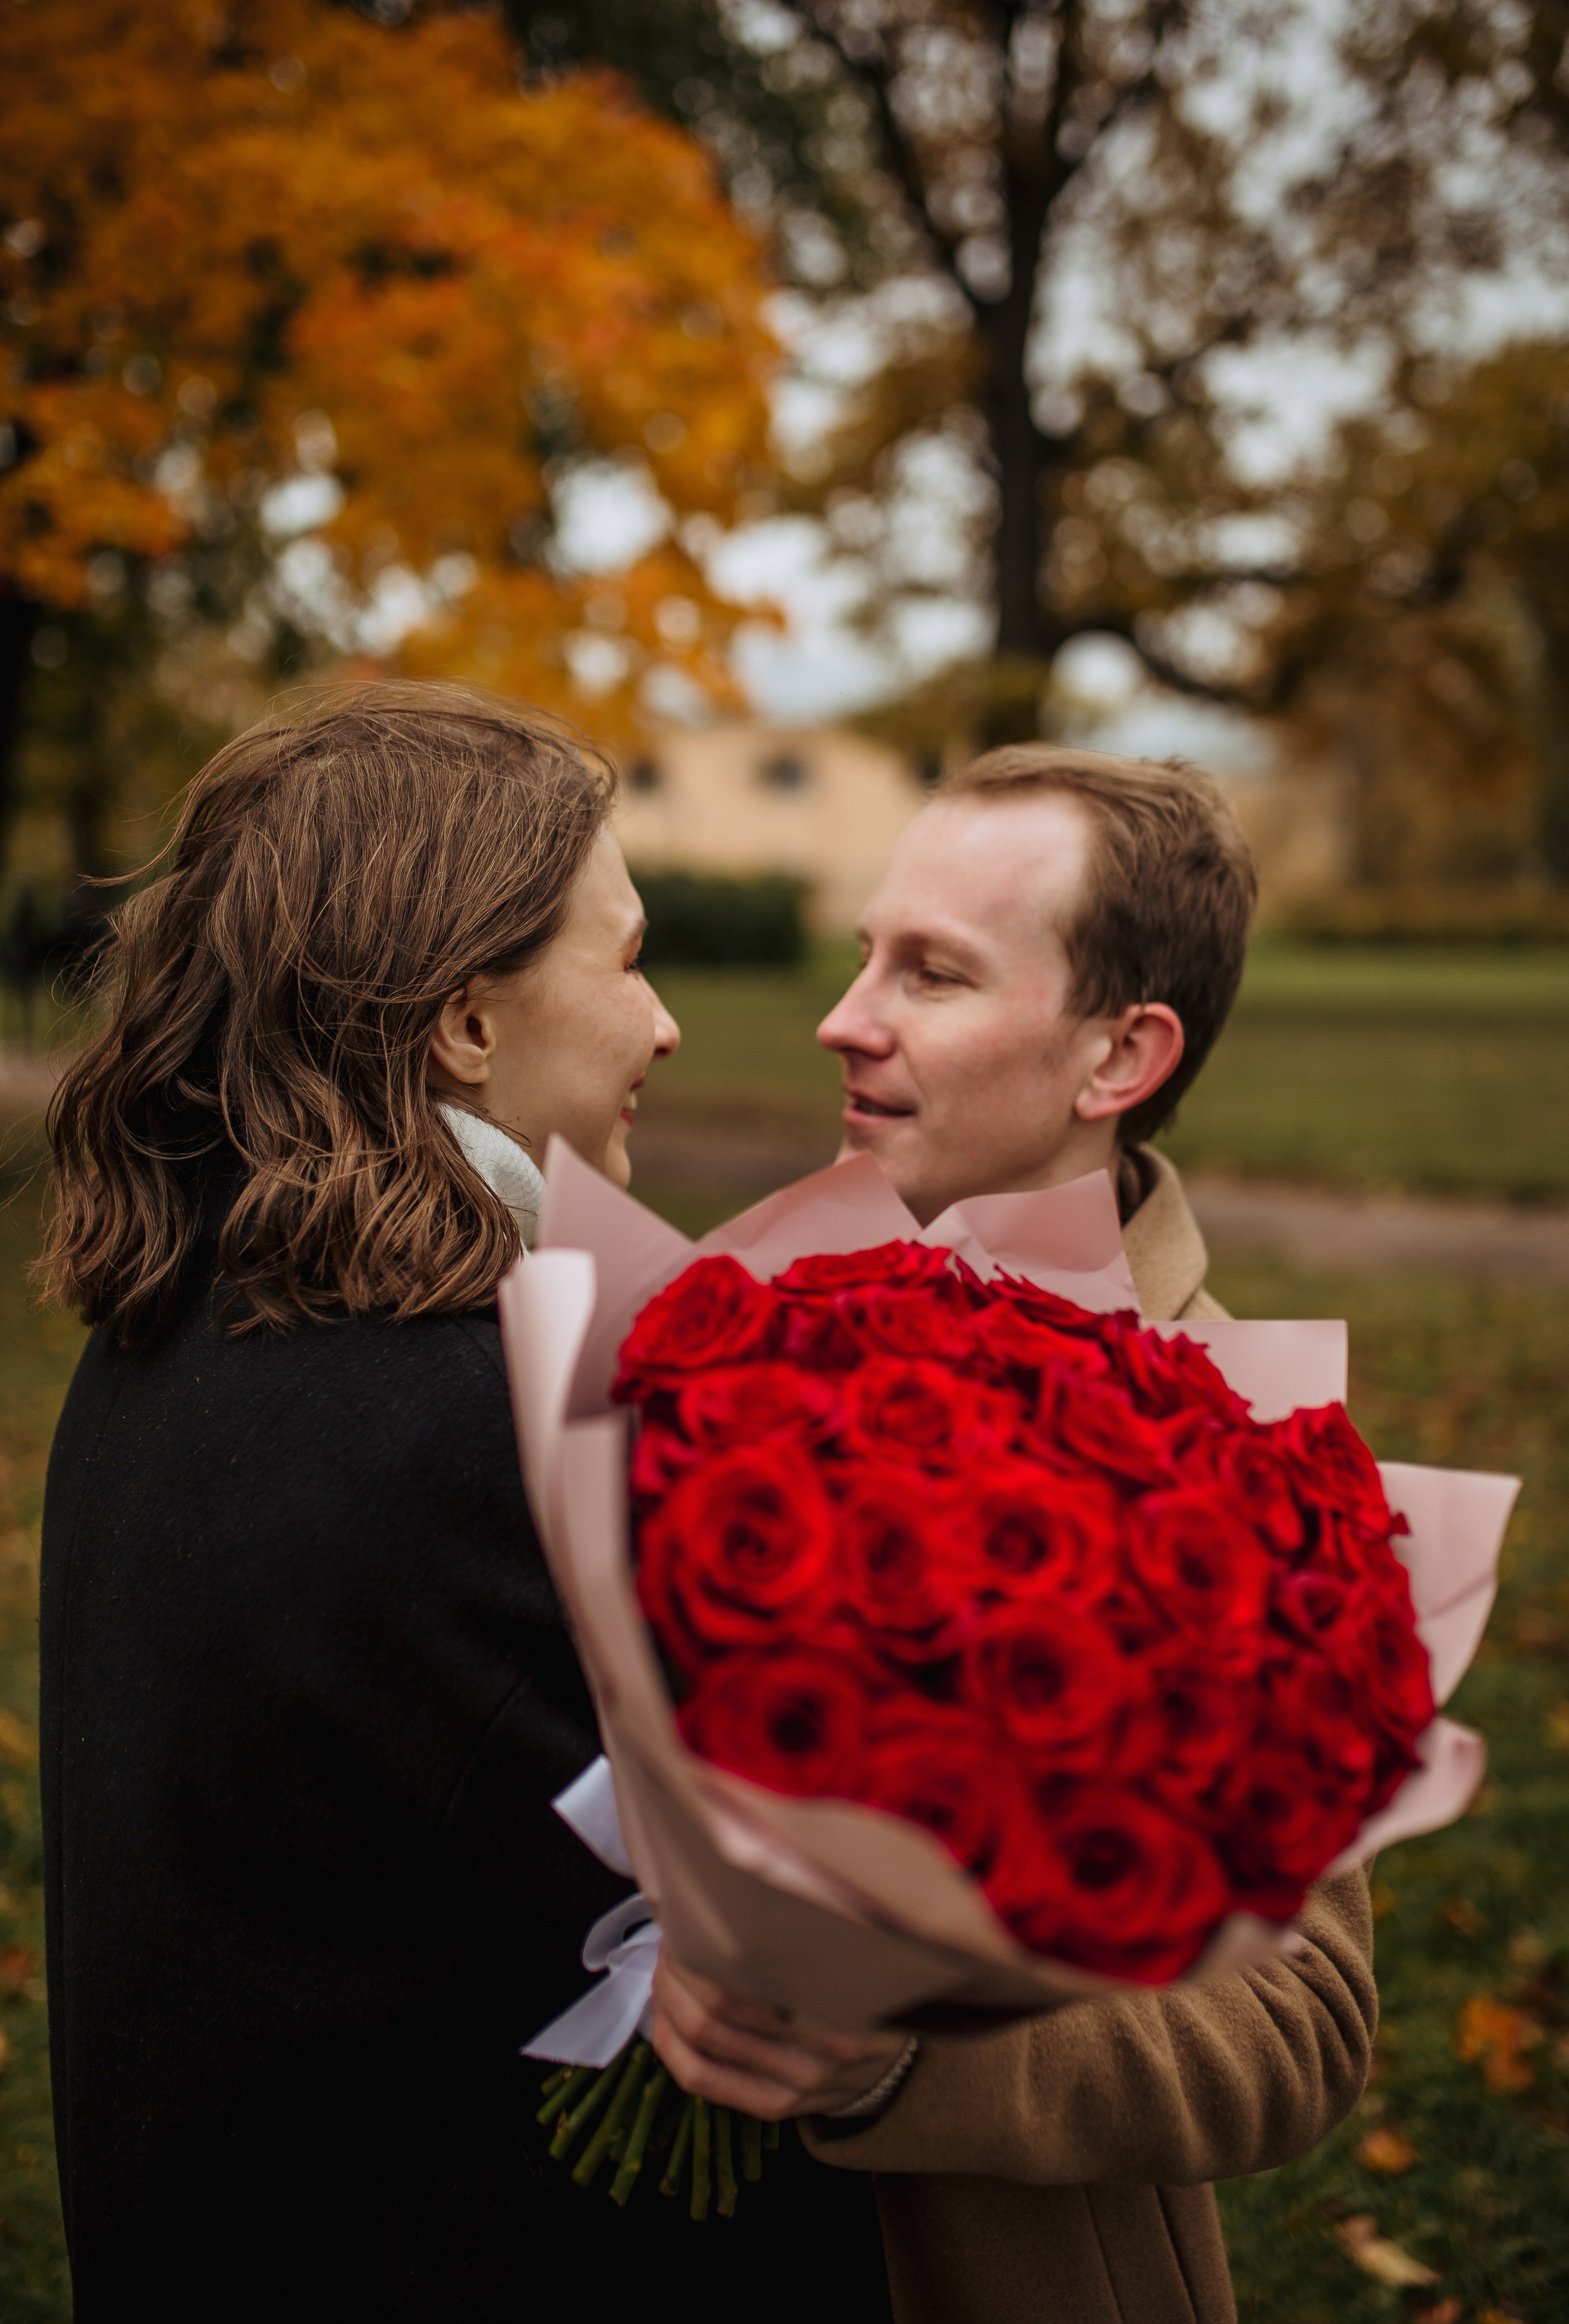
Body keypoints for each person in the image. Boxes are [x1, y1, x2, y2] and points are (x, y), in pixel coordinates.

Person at [37, 683, 899, 2322]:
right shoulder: (463, 1428)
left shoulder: (187, 1321)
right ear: (466, 1027)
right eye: (627, 960)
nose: (664, 1027)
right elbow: (732, 1967)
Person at [648, 744, 1378, 2324]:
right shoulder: (721, 1311)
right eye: (865, 954)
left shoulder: (1249, 1454)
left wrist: (908, 2053)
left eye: (934, 974)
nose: (846, 1018)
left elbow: (1299, 2025)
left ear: (1119, 1055)